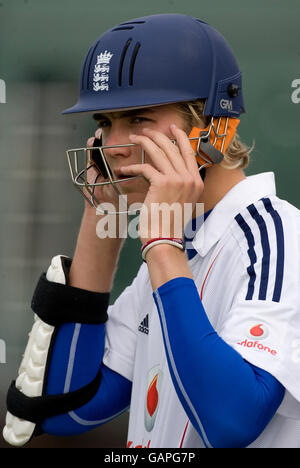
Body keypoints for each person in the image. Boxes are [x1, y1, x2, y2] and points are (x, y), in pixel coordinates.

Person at [3, 14, 300, 449]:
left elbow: (230, 424)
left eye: (138, 118)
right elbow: (65, 410)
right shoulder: (176, 251)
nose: (114, 144)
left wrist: (161, 247)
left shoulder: (277, 237)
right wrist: (102, 217)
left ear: (213, 123)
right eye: (105, 122)